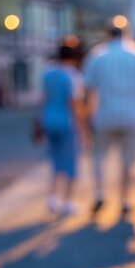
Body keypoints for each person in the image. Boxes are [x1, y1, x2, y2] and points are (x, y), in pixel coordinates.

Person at [83, 15, 135, 219]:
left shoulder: (97, 55)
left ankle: (99, 194)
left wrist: (87, 114)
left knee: (98, 157)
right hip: (132, 113)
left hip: (104, 114)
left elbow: (86, 87)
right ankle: (124, 200)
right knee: (128, 159)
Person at [40, 35, 88, 216]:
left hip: (48, 120)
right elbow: (74, 105)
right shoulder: (72, 75)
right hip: (67, 122)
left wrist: (38, 121)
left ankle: (52, 198)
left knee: (55, 161)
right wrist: (84, 132)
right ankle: (67, 202)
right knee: (70, 162)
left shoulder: (48, 72)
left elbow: (43, 99)